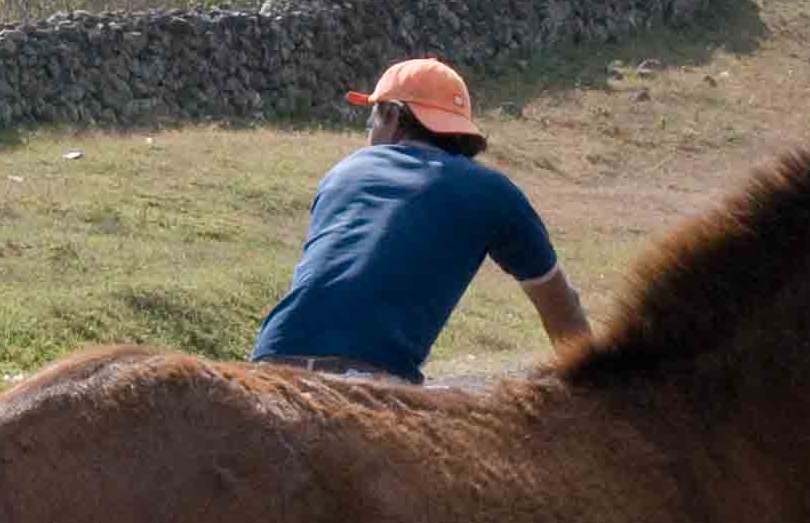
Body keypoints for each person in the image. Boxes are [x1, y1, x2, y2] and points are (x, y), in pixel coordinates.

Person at [246, 57, 586, 383]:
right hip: (369, 377)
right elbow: (560, 303)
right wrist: (599, 390)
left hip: (273, 363)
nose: (369, 132)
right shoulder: (492, 191)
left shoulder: (344, 172)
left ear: (392, 117)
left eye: (372, 119)